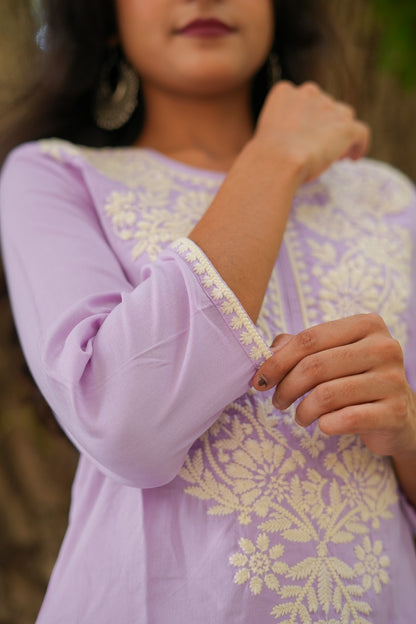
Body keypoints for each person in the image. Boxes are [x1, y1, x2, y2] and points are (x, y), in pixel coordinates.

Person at [1, 0, 416, 622]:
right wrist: (275, 156)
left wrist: (406, 432)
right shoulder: (55, 177)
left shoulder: (387, 197)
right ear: (107, 18)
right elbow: (124, 420)